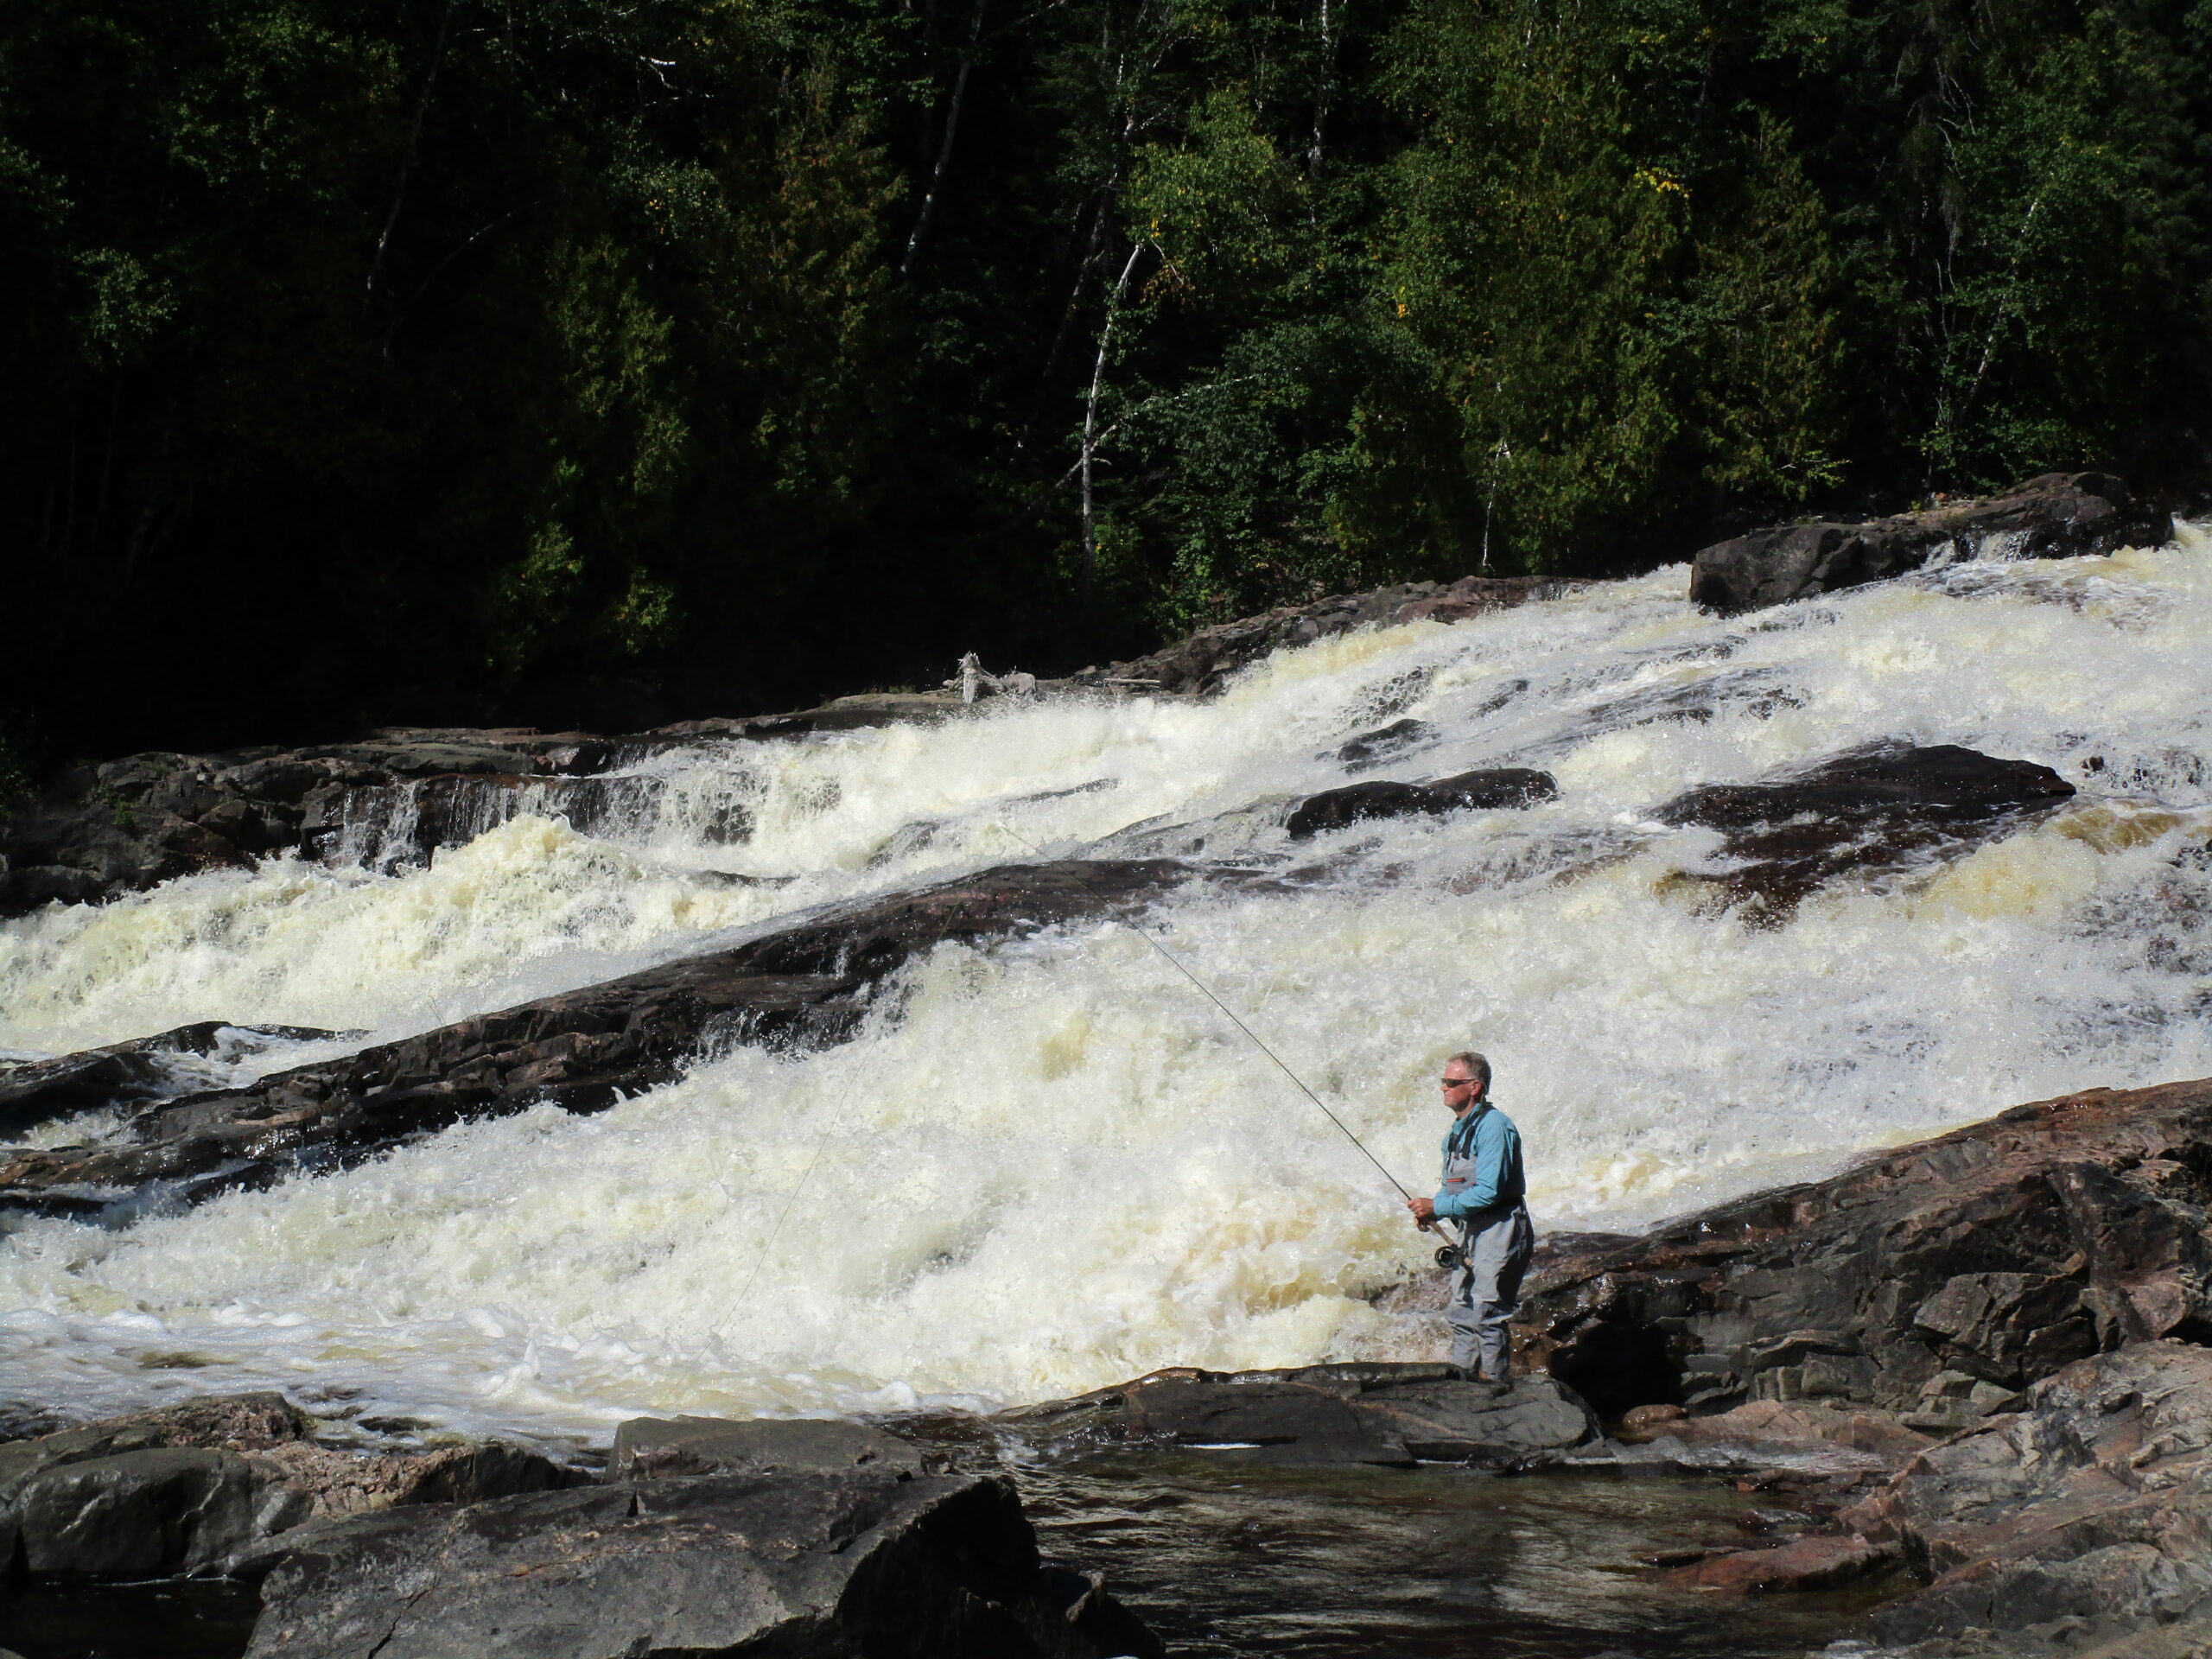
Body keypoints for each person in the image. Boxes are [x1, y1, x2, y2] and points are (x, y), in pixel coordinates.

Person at [1405, 1051, 1534, 1383]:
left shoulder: (1495, 1126)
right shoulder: (1456, 1132)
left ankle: (1494, 1387)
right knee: (1462, 1311)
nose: (1444, 1088)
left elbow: (1489, 1191)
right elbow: (1452, 1186)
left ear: (1475, 1087)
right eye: (1443, 1081)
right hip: (1470, 1230)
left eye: (1452, 1082)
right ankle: (1461, 1383)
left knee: (1488, 1313)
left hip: (1501, 1227)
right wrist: (1433, 1209)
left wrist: (1438, 1207)